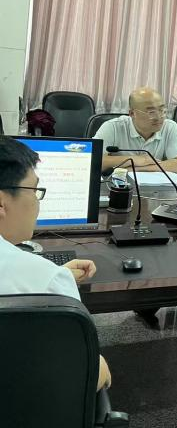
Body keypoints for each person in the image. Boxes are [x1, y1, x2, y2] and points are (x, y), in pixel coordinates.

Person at [0, 137, 111, 391]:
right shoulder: (47, 280)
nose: (38, 202)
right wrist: (51, 280)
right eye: (34, 190)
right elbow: (77, 372)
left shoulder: (46, 278)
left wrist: (53, 276)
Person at [95, 87, 177, 173]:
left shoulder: (170, 127)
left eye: (162, 110)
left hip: (155, 185)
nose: (159, 117)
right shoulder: (112, 127)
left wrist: (137, 169)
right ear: (132, 113)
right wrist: (134, 159)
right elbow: (93, 160)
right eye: (151, 112)